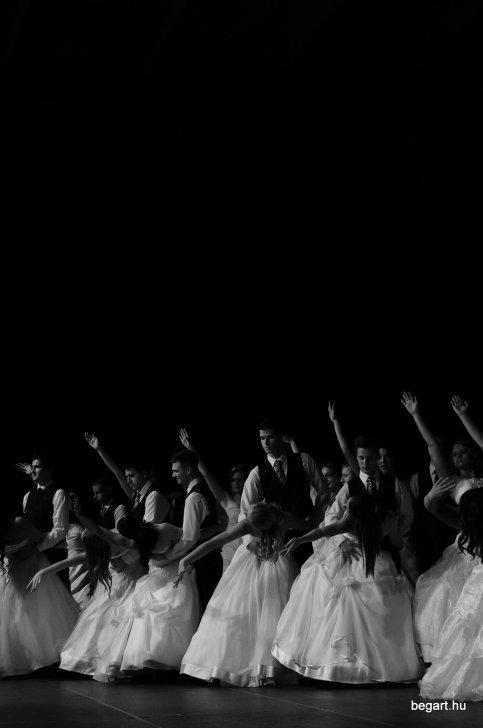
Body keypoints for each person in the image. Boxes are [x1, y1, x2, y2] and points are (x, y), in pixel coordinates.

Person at [272, 492, 423, 683]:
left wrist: (299, 539)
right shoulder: (389, 518)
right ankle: (382, 666)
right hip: (373, 563)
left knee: (338, 608)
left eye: (348, 510)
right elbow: (397, 543)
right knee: (378, 608)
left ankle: (345, 666)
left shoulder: (349, 522)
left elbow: (325, 531)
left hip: (352, 562)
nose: (345, 512)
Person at [177, 503, 308, 687]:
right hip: (247, 568)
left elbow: (311, 527)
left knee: (274, 614)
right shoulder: (246, 524)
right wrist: (185, 560)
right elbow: (213, 542)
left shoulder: (283, 519)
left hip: (277, 566)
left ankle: (274, 667)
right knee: (242, 613)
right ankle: (240, 664)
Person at [59, 504, 148, 677]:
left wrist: (81, 515)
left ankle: (122, 661)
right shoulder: (113, 547)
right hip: (119, 586)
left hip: (135, 585)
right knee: (100, 619)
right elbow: (93, 535)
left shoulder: (122, 542)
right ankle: (97, 660)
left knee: (126, 620)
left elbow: (97, 530)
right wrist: (45, 571)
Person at [419, 483, 483, 700]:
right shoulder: (474, 531)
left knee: (469, 625)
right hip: (478, 580)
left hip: (478, 579)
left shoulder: (474, 531)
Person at [240, 416, 330, 567]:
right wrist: (251, 543)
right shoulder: (257, 473)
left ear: (280, 436)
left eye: (270, 437)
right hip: (277, 540)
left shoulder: (304, 460)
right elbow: (245, 510)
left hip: (306, 535)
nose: (266, 443)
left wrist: (315, 519)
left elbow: (324, 492)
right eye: (262, 438)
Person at [0, 508, 79, 678]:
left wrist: (31, 549)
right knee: (23, 613)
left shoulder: (19, 524)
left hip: (27, 568)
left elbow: (40, 540)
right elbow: (39, 538)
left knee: (33, 611)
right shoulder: (17, 524)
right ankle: (28, 657)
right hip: (19, 571)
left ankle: (35, 657)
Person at [162, 448, 223, 610]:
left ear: (188, 470)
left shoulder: (194, 497)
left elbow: (189, 539)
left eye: (176, 471)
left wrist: (167, 556)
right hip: (211, 556)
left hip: (203, 562)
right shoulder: (204, 488)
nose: (173, 475)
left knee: (206, 606)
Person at [179, 428, 245, 572]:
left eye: (240, 479)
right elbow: (207, 474)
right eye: (234, 480)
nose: (237, 483)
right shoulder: (227, 500)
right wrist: (191, 449)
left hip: (247, 550)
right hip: (229, 551)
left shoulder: (252, 501)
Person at [84, 434, 171, 525]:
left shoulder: (154, 494)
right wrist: (99, 449)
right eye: (127, 477)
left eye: (132, 476)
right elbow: (117, 473)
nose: (128, 481)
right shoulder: (137, 495)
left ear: (144, 473)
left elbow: (146, 531)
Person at [16, 452, 70, 585]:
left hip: (53, 558)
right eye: (32, 467)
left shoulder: (58, 493)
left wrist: (37, 548)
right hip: (30, 558)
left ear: (49, 469)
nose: (33, 470)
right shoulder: (27, 496)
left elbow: (61, 529)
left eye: (37, 467)